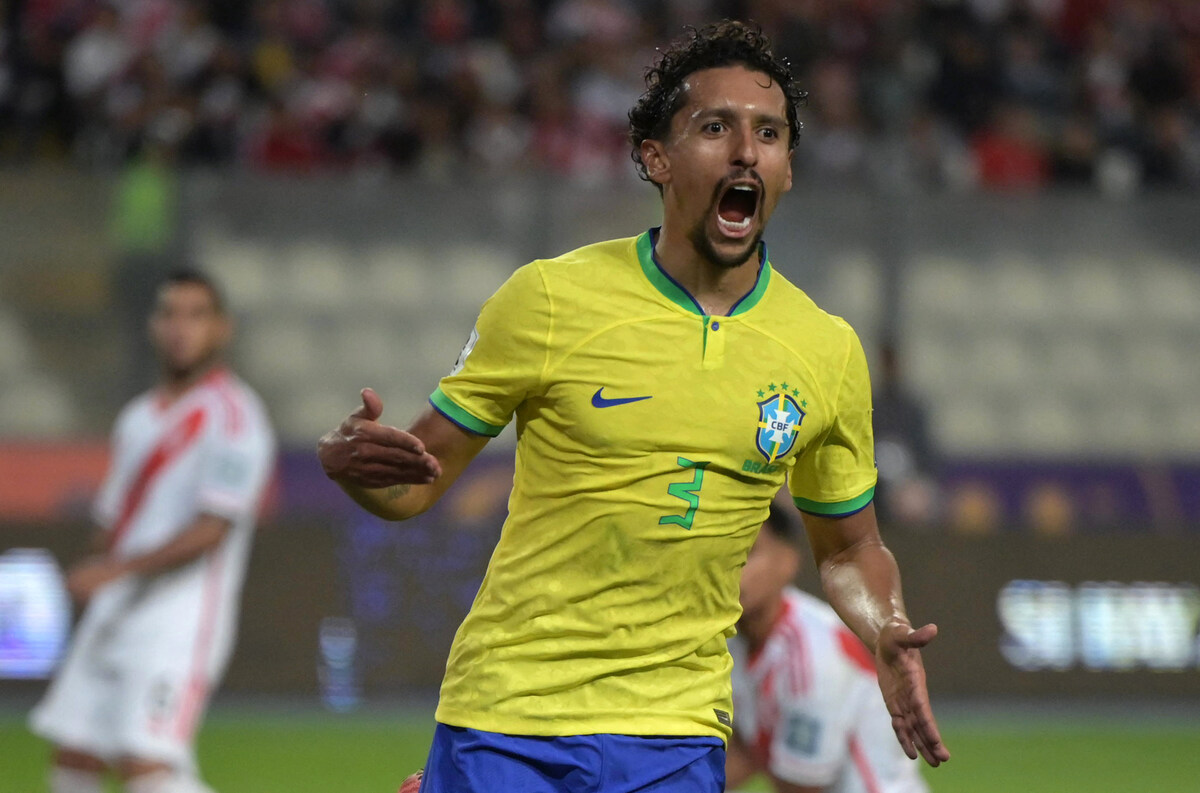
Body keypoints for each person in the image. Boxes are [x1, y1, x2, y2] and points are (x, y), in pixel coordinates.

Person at [319, 20, 948, 793]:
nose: (746, 151)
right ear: (656, 157)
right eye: (715, 127)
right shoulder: (550, 299)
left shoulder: (825, 350)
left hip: (674, 733)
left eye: (770, 133)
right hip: (510, 713)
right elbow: (411, 480)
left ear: (786, 169)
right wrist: (345, 461)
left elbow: (848, 549)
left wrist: (884, 627)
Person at [30, 271, 276, 793]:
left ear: (222, 329)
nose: (180, 327)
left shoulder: (234, 417)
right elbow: (111, 521)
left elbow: (212, 529)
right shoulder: (138, 417)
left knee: (147, 763)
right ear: (152, 325)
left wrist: (113, 570)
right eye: (169, 314)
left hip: (178, 620)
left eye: (196, 315)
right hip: (114, 611)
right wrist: (94, 572)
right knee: (74, 756)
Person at [727, 504, 931, 793]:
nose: (731, 570)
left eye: (748, 554)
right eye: (724, 555)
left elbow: (802, 786)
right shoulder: (733, 639)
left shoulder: (813, 655)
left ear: (786, 562)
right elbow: (746, 753)